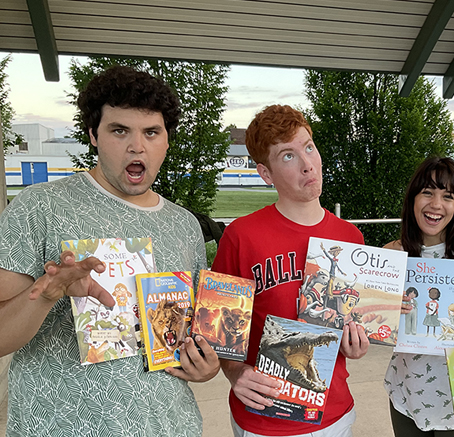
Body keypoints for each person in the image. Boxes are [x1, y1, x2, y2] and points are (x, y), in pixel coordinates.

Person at [0, 65, 220, 436]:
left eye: (151, 132)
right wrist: (47, 293)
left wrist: (205, 366)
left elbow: (189, 336)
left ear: (166, 140)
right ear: (93, 135)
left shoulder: (184, 226)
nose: (137, 146)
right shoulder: (40, 207)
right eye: (120, 131)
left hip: (170, 426)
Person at [211, 104, 370, 437]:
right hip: (264, 418)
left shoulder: (350, 239)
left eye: (308, 147)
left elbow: (349, 323)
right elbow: (219, 336)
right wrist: (235, 373)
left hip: (334, 415)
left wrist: (354, 343)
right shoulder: (241, 235)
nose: (307, 164)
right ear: (265, 174)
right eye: (287, 156)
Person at [383, 156, 454, 436]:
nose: (436, 205)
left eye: (447, 196)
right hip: (407, 390)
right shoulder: (392, 254)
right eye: (427, 193)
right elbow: (377, 329)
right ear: (413, 198)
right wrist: (387, 312)